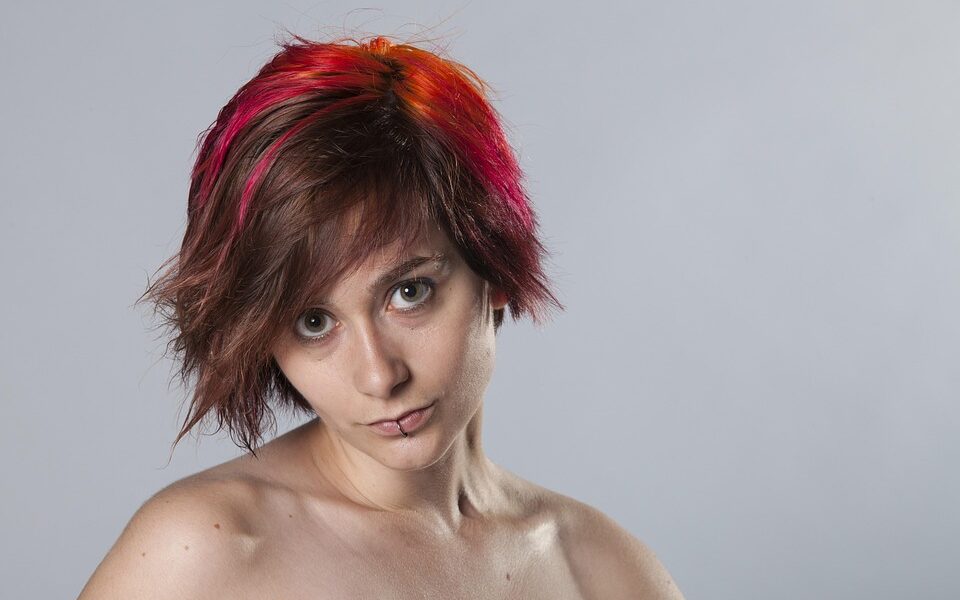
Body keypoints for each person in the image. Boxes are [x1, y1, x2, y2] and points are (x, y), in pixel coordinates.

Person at [78, 34, 684, 599]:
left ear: (493, 264)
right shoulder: (203, 554)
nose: (378, 376)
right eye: (314, 323)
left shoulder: (604, 572)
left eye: (409, 292)